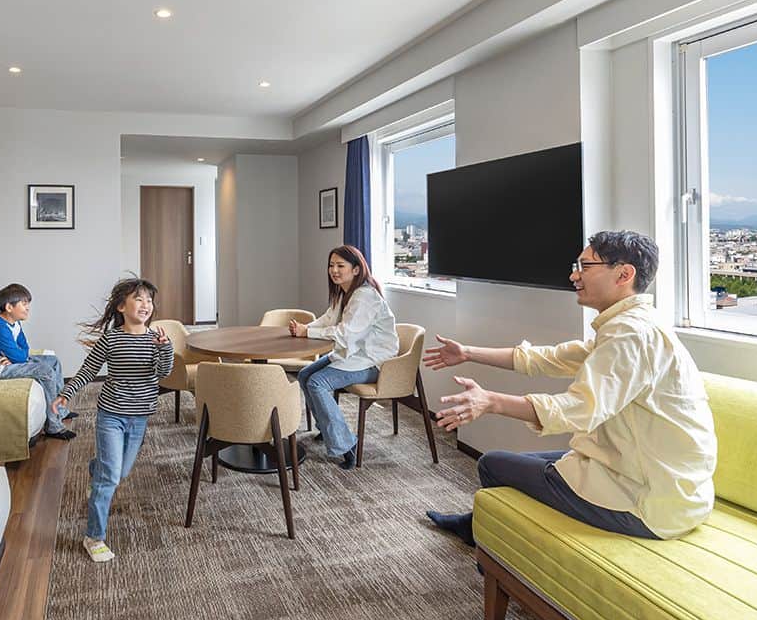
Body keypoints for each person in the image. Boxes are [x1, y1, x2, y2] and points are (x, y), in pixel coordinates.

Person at [423, 230, 717, 545]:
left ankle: (489, 546)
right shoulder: (631, 324)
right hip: (660, 482)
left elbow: (580, 408)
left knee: (492, 464)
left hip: (651, 501)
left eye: (585, 267)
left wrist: (490, 401)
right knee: (548, 461)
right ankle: (480, 526)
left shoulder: (630, 334)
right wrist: (467, 353)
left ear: (624, 274)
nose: (574, 275)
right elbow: (548, 358)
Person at [51, 278, 174, 563]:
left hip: (139, 417)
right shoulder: (111, 339)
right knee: (109, 478)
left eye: (149, 300)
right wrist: (66, 393)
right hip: (111, 415)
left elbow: (164, 372)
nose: (146, 305)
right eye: (138, 299)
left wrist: (165, 347)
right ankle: (93, 537)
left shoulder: (155, 339)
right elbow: (88, 370)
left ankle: (96, 469)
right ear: (121, 306)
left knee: (120, 472)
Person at [288, 245, 398, 470]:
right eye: (331, 265)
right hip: (353, 355)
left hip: (373, 362)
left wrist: (307, 332)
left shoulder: (364, 296)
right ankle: (329, 429)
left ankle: (347, 445)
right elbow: (328, 319)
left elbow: (345, 334)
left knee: (317, 383)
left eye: (340, 265)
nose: (334, 270)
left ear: (356, 269)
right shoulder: (344, 292)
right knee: (305, 374)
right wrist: (304, 328)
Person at [0, 283, 76, 440]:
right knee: (45, 372)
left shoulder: (14, 322)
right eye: (24, 304)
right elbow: (19, 356)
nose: (28, 308)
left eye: (28, 304)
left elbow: (24, 348)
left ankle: (60, 411)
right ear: (9, 307)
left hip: (4, 362)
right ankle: (53, 426)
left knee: (53, 361)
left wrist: (15, 358)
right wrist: (16, 357)